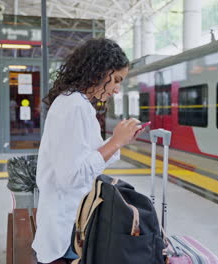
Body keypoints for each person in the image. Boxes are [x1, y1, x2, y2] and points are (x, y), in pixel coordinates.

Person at [32, 38, 143, 264]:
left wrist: (119, 141)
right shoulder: (73, 106)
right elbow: (71, 177)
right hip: (66, 233)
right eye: (117, 80)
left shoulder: (79, 103)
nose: (117, 89)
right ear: (100, 71)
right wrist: (115, 143)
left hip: (75, 222)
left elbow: (91, 158)